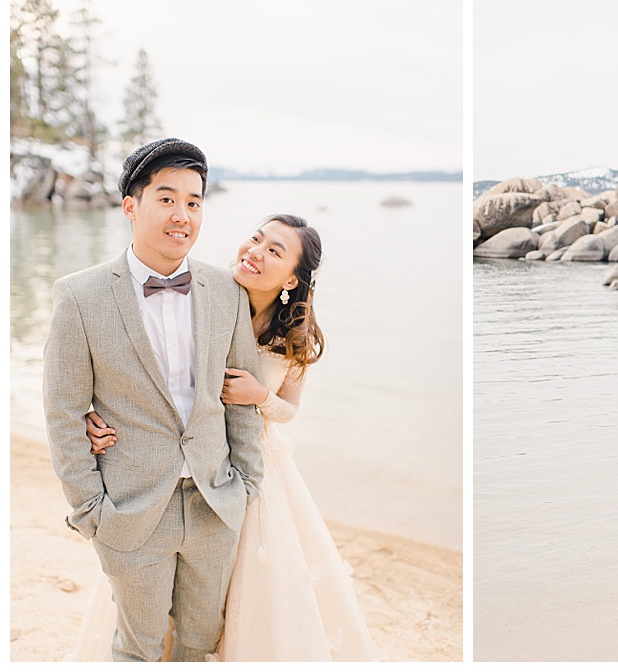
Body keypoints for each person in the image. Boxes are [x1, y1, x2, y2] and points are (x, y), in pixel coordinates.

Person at [72, 213, 378, 661]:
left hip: (255, 470)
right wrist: (91, 413)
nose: (255, 251)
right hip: (177, 468)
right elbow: (138, 367)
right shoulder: (198, 295)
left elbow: (290, 410)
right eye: (256, 238)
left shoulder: (294, 337)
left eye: (274, 250)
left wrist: (259, 397)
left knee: (243, 593)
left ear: (293, 277)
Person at [43, 138, 264, 661]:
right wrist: (90, 508)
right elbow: (63, 409)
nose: (182, 214)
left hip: (216, 503)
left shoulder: (225, 291)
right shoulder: (80, 295)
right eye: (166, 198)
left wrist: (248, 485)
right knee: (138, 648)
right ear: (130, 206)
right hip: (132, 508)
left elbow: (240, 398)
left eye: (193, 201)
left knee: (201, 642)